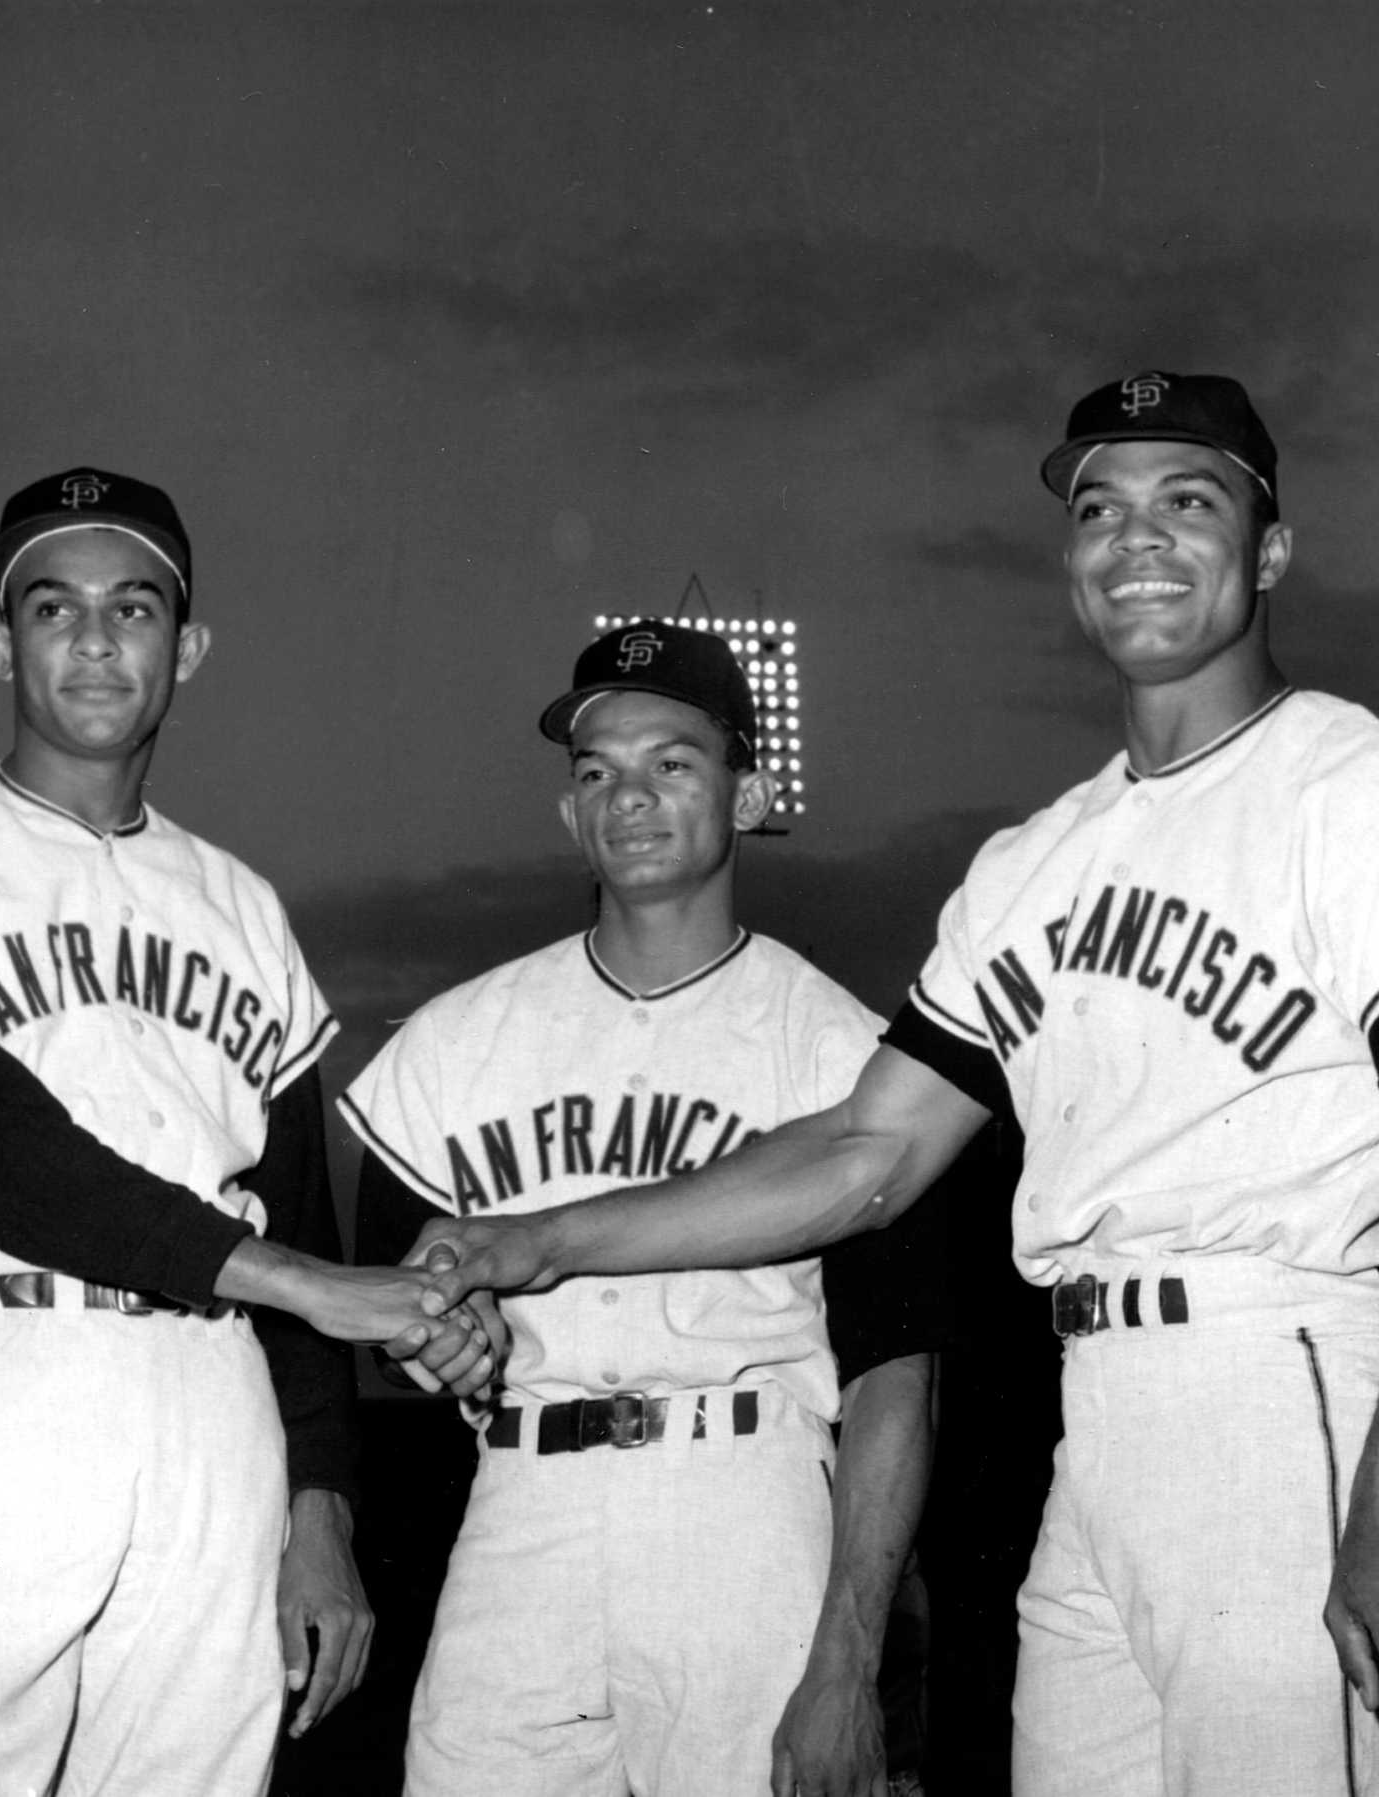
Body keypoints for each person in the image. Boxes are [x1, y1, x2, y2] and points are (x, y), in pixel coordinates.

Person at [411, 373, 1379, 1796]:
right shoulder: (1032, 868)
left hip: (1290, 1377)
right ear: (1070, 561)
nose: (1137, 537)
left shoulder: (1362, 792)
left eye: (1189, 500)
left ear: (1270, 552)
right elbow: (862, 1148)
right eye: (1099, 509)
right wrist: (539, 1240)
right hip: (1099, 1416)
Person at [0, 467, 493, 1797]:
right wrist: (306, 1284)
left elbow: (298, 1218)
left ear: (187, 650)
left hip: (216, 1408)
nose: (97, 640)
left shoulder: (241, 905)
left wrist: (318, 1511)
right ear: (2, 643)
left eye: (136, 609)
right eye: (55, 608)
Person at [341, 622, 951, 1796]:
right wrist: (440, 1341)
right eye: (596, 772)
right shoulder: (455, 1039)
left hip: (744, 1505)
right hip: (522, 1509)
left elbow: (895, 1378)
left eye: (671, 763)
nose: (629, 796)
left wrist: (847, 1656)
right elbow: (395, 1307)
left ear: (747, 793)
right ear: (569, 814)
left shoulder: (839, 1052)